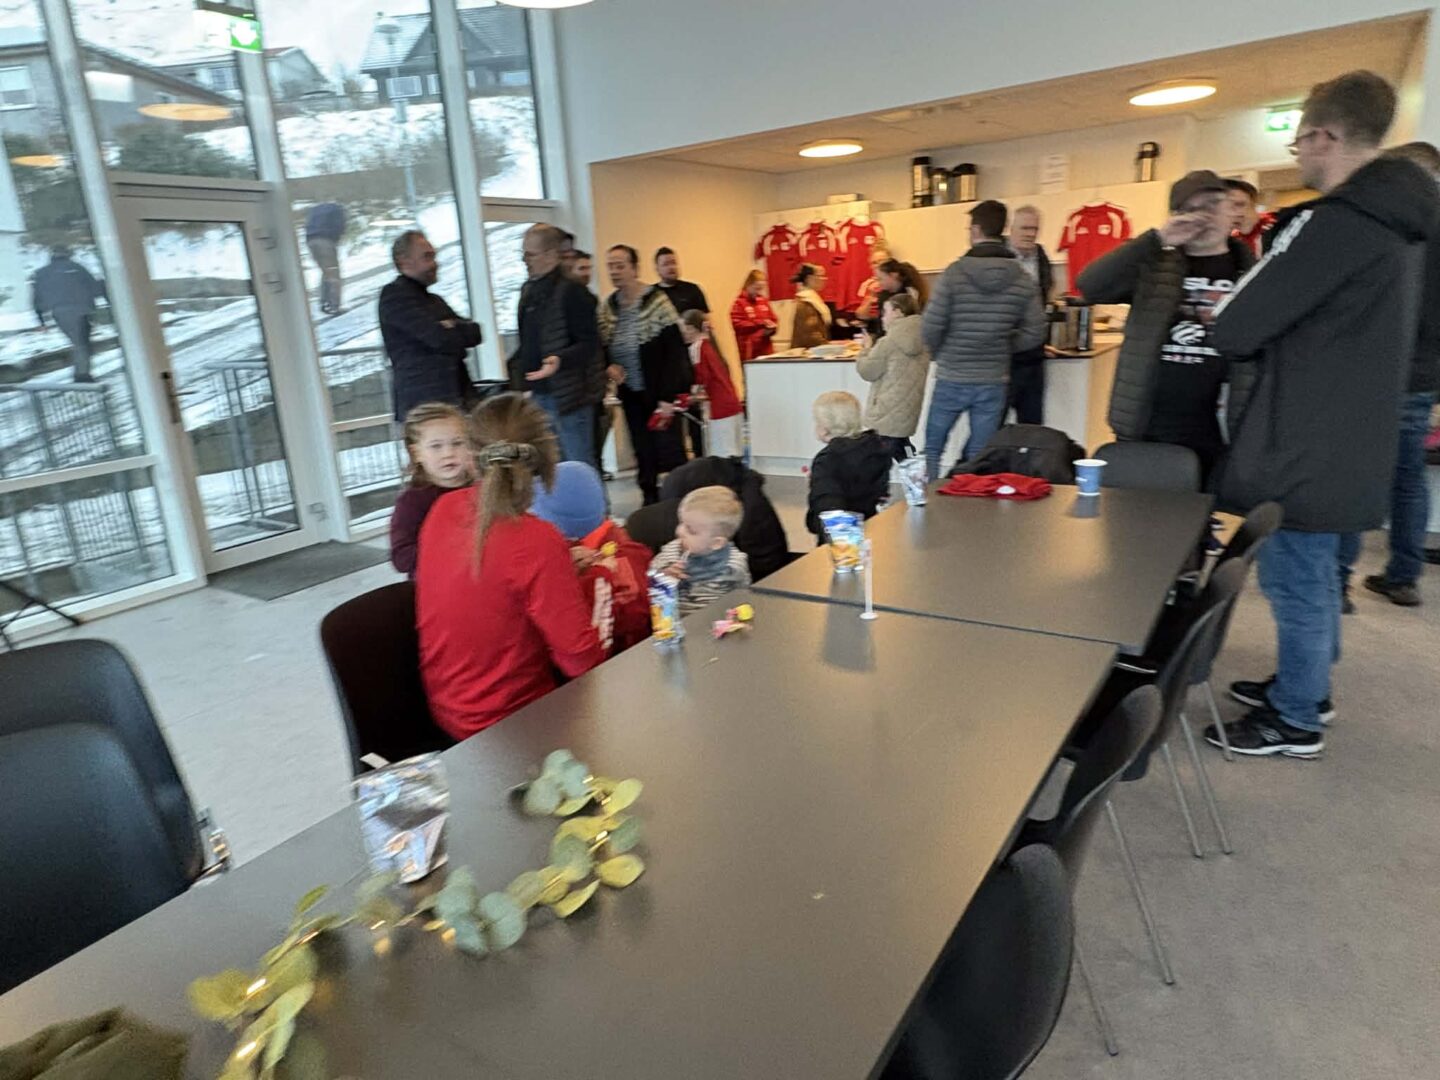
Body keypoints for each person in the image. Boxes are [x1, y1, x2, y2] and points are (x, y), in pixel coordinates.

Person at [1204, 70, 1437, 758]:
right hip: (1353, 428)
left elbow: (1236, 327)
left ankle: (1296, 718)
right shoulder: (1402, 225)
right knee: (1319, 572)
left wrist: (1231, 311)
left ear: (1324, 136)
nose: (1299, 156)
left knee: (1295, 580)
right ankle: (1307, 688)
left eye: (1300, 143)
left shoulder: (1334, 224)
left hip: (1305, 434)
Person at [416, 394, 606, 741]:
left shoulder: (441, 510)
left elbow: (492, 584)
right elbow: (581, 662)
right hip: (512, 727)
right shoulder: (537, 539)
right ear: (548, 457)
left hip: (448, 712)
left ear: (472, 457)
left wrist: (557, 569)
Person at [1076, 170, 1256, 486]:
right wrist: (1156, 239)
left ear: (1230, 209)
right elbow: (1089, 285)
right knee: (1135, 511)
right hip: (1146, 423)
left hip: (1221, 427)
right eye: (1190, 208)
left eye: (1212, 204)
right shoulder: (1153, 265)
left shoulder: (1254, 273)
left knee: (1208, 513)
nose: (1203, 216)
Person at [1337, 141, 1440, 610]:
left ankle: (1338, 579)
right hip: (1423, 374)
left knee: (1353, 474)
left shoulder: (1390, 223)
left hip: (1374, 369)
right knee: (1408, 477)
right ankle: (1404, 576)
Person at [921, 200, 1047, 481]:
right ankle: (971, 500)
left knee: (932, 449)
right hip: (993, 378)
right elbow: (1037, 331)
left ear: (976, 230)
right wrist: (1003, 346)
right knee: (980, 454)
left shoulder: (954, 274)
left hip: (952, 375)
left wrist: (940, 353)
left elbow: (931, 325)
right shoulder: (1022, 278)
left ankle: (924, 501)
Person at [598, 245, 692, 505]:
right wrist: (608, 365)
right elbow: (600, 346)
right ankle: (649, 500)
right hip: (631, 392)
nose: (614, 271)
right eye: (610, 266)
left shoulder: (656, 301)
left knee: (670, 449)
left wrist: (668, 397)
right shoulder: (609, 307)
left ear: (635, 268)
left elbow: (675, 351)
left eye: (620, 265)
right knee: (642, 449)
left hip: (659, 390)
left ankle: (683, 501)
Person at [532, 461, 652, 654]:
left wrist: (588, 579)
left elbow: (628, 622)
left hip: (618, 659)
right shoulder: (586, 546)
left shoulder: (622, 558)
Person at [508, 224, 603, 467]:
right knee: (552, 467)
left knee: (580, 465)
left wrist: (560, 360)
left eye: (530, 254)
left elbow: (590, 343)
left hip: (570, 397)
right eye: (523, 254)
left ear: (551, 255)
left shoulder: (573, 292)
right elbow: (527, 343)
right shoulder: (528, 290)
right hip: (539, 394)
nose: (524, 260)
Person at [379, 230, 483, 420]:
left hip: (456, 398)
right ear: (404, 261)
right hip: (425, 407)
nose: (435, 263)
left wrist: (450, 327)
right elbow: (438, 338)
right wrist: (450, 329)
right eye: (427, 257)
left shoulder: (434, 300)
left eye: (433, 256)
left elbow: (475, 333)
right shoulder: (394, 296)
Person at [389, 402, 472, 578]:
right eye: (436, 446)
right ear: (416, 453)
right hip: (437, 585)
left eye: (457, 443)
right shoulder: (412, 501)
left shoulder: (482, 488)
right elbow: (401, 558)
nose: (448, 453)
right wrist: (450, 548)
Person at [649, 485, 751, 614]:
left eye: (691, 530)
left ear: (716, 543)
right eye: (681, 523)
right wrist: (664, 575)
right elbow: (650, 583)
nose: (680, 532)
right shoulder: (671, 553)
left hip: (716, 619)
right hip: (675, 620)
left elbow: (743, 595)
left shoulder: (733, 566)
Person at [806, 391, 892, 541]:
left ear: (824, 429)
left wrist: (818, 482)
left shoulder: (827, 460)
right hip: (874, 528)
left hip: (845, 543)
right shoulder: (876, 448)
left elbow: (828, 513)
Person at [856, 294, 929, 462]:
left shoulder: (888, 342)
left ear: (898, 312)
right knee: (903, 448)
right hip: (908, 409)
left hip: (886, 410)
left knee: (879, 457)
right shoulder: (923, 340)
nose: (882, 317)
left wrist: (866, 349)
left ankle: (913, 474)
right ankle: (915, 474)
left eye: (885, 311)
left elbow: (867, 371)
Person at [1007, 205, 1055, 424]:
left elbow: (1042, 303)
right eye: (1025, 228)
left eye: (1034, 229)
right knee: (993, 424)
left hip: (1034, 357)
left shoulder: (1041, 258)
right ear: (1011, 229)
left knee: (1032, 424)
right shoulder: (1000, 259)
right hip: (1004, 355)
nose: (1030, 234)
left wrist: (1043, 340)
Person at [31, 246, 104, 383]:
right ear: (68, 255)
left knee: (78, 342)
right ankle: (82, 376)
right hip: (83, 310)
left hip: (60, 313)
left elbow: (37, 298)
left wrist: (41, 320)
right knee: (82, 343)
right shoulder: (77, 268)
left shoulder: (42, 273)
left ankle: (81, 373)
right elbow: (95, 288)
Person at [680, 310, 744, 459]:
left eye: (683, 330)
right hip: (732, 404)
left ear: (692, 329)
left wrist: (688, 398)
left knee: (722, 456)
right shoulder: (711, 346)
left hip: (719, 408)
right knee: (735, 453)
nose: (682, 334)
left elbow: (702, 381)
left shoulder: (697, 348)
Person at [859, 258, 927, 338]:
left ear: (893, 275)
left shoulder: (909, 295)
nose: (879, 283)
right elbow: (864, 316)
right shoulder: (883, 294)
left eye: (880, 279)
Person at [304, 201, 346, 315]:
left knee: (326, 272)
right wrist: (337, 238)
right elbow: (340, 225)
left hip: (311, 241)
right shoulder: (337, 208)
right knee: (333, 274)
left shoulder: (316, 209)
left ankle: (324, 302)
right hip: (326, 241)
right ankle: (334, 306)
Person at [730, 270, 778, 361]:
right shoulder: (739, 303)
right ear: (749, 284)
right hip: (749, 351)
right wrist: (760, 323)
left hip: (766, 350)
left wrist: (771, 329)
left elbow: (773, 319)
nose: (758, 292)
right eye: (756, 288)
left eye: (761, 289)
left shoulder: (763, 301)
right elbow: (738, 325)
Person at [1225, 179, 1275, 259]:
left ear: (1254, 203)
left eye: (1240, 204)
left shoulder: (1277, 224)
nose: (1235, 213)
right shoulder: (1233, 243)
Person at [655, 247, 709, 315]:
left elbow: (706, 318)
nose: (671, 267)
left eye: (673, 263)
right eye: (666, 264)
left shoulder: (692, 289)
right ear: (657, 269)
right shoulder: (651, 294)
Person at [790, 263, 832, 349]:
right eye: (821, 276)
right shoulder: (805, 302)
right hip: (807, 352)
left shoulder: (812, 300)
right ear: (810, 278)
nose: (824, 279)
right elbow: (810, 335)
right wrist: (829, 345)